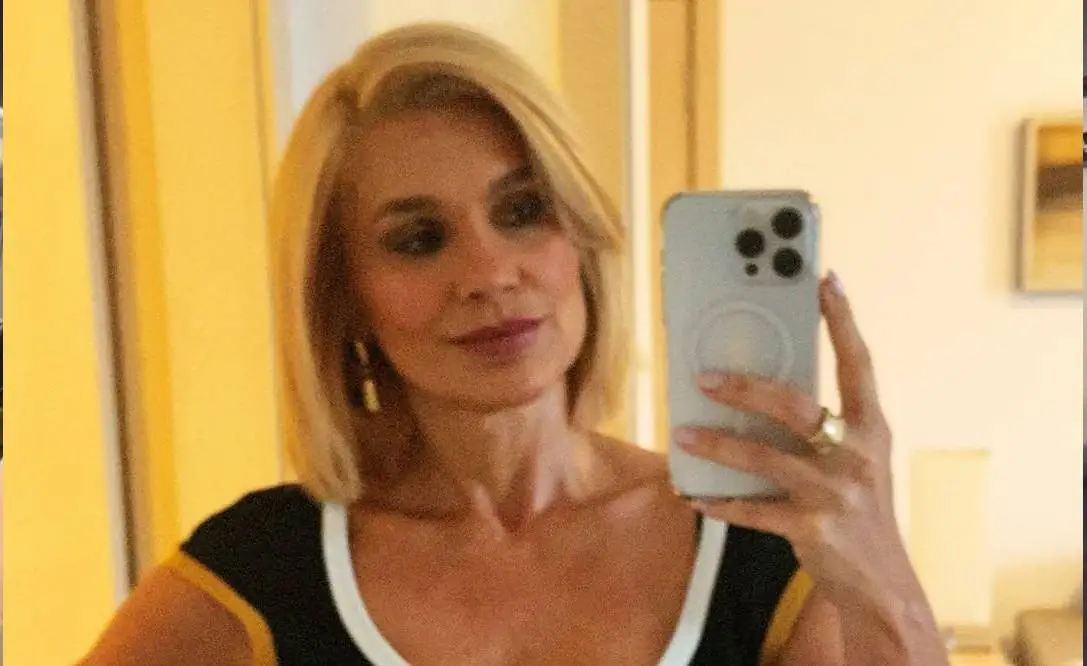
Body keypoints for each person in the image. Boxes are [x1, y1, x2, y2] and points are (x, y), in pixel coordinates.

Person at [81, 23, 947, 666]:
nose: (489, 273)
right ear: (343, 297)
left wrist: (883, 580)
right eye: (418, 238)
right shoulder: (264, 571)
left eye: (522, 210)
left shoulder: (755, 546)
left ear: (580, 237)